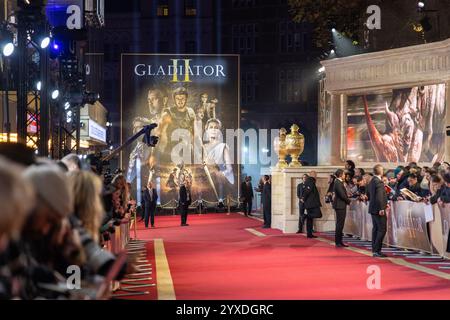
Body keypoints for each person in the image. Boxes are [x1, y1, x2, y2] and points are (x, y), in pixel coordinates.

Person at [367, 164, 388, 258]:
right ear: (380, 171)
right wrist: (381, 208)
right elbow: (379, 196)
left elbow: (370, 194)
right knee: (382, 229)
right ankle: (377, 250)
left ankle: (374, 250)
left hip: (373, 208)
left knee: (375, 229)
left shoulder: (372, 181)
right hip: (378, 209)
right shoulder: (379, 182)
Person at [300, 171, 322, 238]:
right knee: (319, 214)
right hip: (312, 203)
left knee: (310, 219)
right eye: (315, 174)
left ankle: (309, 234)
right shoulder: (311, 180)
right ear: (312, 175)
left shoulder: (309, 181)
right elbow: (307, 190)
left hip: (309, 203)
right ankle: (304, 216)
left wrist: (303, 198)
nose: (316, 175)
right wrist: (303, 198)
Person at [332, 169, 351, 247]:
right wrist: (348, 201)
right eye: (344, 174)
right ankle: (338, 242)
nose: (345, 175)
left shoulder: (338, 182)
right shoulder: (338, 182)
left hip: (340, 205)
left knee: (340, 224)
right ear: (340, 175)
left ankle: (339, 241)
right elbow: (342, 195)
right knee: (340, 224)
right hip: (340, 205)